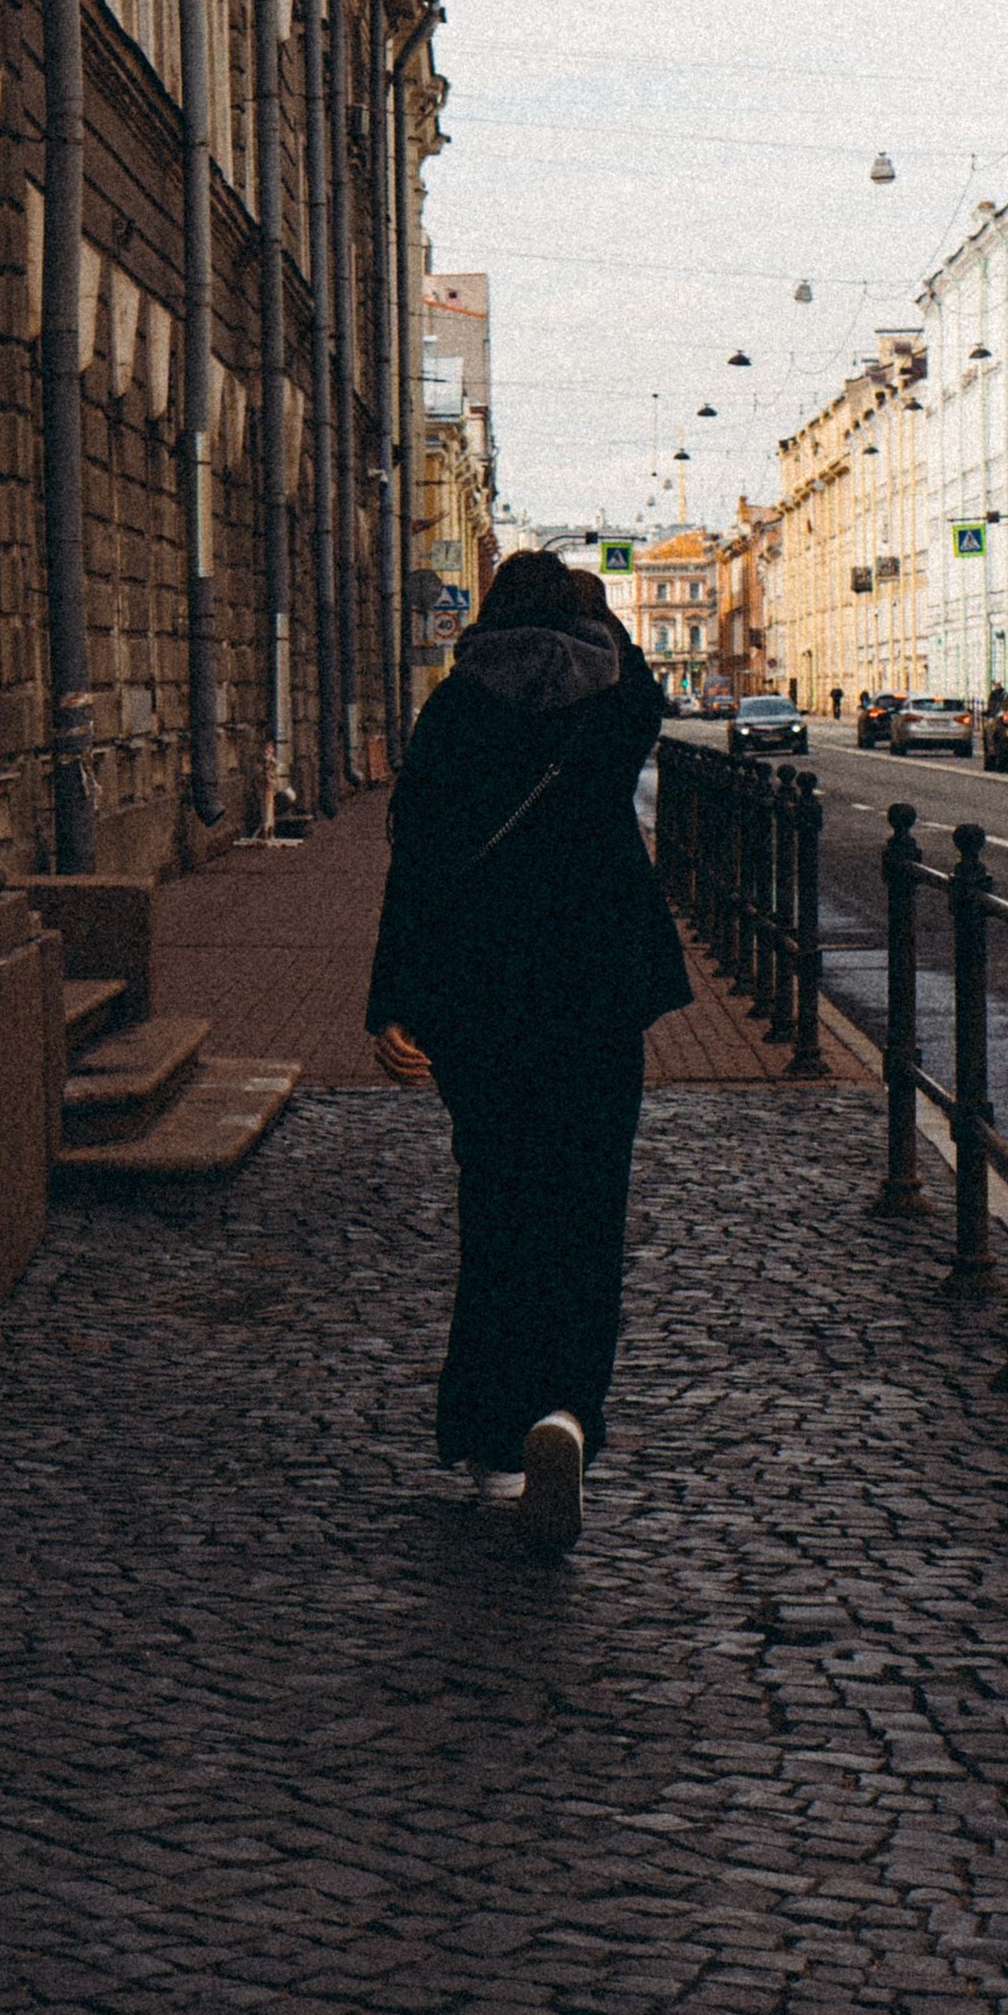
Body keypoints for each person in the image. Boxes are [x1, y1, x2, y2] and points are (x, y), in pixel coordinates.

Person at [366, 547, 689, 1555]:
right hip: (595, 998)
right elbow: (640, 681)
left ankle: (494, 1449)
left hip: (480, 1000)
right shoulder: (612, 709)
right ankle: (568, 1417)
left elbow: (414, 858)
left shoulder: (455, 709)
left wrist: (393, 1002)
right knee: (587, 1213)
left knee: (498, 1214)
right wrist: (596, 619)